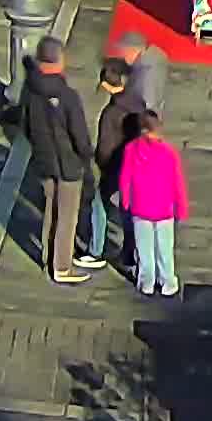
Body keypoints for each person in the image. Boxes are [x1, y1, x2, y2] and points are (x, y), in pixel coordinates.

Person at [18, 39, 94, 285]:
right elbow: (80, 136)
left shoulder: (29, 90)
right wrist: (86, 157)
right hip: (69, 164)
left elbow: (25, 125)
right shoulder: (68, 96)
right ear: (61, 61)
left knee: (50, 209)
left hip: (44, 160)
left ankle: (47, 256)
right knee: (67, 216)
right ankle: (62, 265)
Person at [112, 110, 189, 297]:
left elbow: (125, 179)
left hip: (140, 207)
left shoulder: (131, 149)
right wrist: (181, 207)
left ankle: (147, 282)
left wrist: (126, 201)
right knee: (164, 249)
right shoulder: (169, 153)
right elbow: (177, 182)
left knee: (144, 249)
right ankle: (168, 282)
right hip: (164, 209)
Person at [84, 62, 133, 269]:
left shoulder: (111, 113)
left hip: (114, 166)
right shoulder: (136, 102)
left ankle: (96, 251)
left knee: (99, 203)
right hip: (133, 166)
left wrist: (101, 164)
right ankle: (130, 253)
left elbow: (105, 146)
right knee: (129, 211)